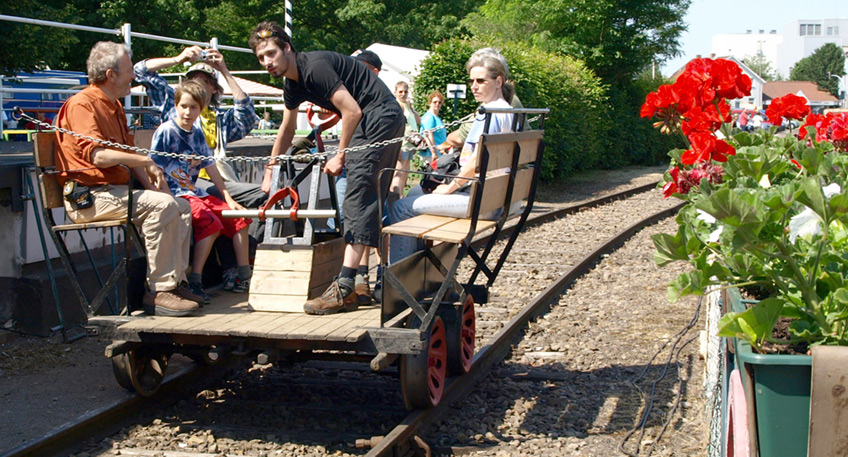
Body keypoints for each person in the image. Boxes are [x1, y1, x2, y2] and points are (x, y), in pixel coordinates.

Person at [250, 20, 404, 315]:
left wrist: (341, 155)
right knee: (366, 197)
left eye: (271, 53)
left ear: (287, 48)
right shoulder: (292, 84)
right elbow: (286, 127)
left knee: (359, 195)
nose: (267, 62)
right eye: (261, 58)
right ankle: (360, 282)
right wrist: (271, 169)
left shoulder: (314, 68)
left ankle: (344, 286)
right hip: (380, 117)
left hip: (377, 117)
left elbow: (352, 110)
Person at [54, 41, 200, 316]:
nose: (134, 76)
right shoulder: (82, 105)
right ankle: (159, 291)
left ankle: (175, 283)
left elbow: (127, 155)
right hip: (89, 198)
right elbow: (98, 156)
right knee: (163, 206)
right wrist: (147, 161)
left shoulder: (114, 106)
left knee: (179, 206)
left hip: (112, 192)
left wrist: (158, 187)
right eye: (129, 70)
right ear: (111, 75)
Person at [135, 46, 264, 291]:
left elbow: (248, 116)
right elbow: (140, 71)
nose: (198, 85)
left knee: (256, 198)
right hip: (188, 186)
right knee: (215, 214)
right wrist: (177, 59)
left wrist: (224, 70)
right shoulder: (172, 110)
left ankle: (243, 269)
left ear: (213, 90)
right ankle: (224, 272)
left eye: (206, 81)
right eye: (193, 79)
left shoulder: (218, 119)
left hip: (212, 181)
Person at [389, 48, 516, 263]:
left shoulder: (492, 114)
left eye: (481, 81)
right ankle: (424, 273)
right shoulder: (503, 110)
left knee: (400, 208)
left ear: (498, 81)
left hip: (479, 200)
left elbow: (477, 161)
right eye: (472, 81)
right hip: (491, 195)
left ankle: (400, 284)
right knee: (414, 192)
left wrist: (449, 188)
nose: (474, 86)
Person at [151, 80, 253, 303]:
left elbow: (210, 167)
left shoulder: (197, 134)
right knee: (210, 223)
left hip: (194, 191)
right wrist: (168, 197)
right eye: (183, 106)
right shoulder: (166, 131)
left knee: (240, 217)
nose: (187, 112)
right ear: (176, 106)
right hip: (177, 193)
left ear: (201, 108)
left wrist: (227, 197)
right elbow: (155, 168)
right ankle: (195, 280)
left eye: (193, 108)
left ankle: (244, 275)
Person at [390, 81, 422, 195]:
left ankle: (401, 195)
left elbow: (418, 121)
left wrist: (412, 107)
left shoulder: (407, 106)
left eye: (405, 91)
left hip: (410, 144)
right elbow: (395, 126)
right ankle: (395, 197)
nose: (403, 94)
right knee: (399, 172)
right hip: (402, 144)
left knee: (406, 171)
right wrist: (396, 147)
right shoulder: (398, 105)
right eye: (400, 92)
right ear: (395, 93)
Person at [419, 90, 447, 159]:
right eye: (435, 102)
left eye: (439, 102)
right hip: (431, 155)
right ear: (430, 103)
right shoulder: (429, 117)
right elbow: (428, 135)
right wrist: (433, 152)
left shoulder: (436, 117)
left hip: (439, 153)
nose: (437, 104)